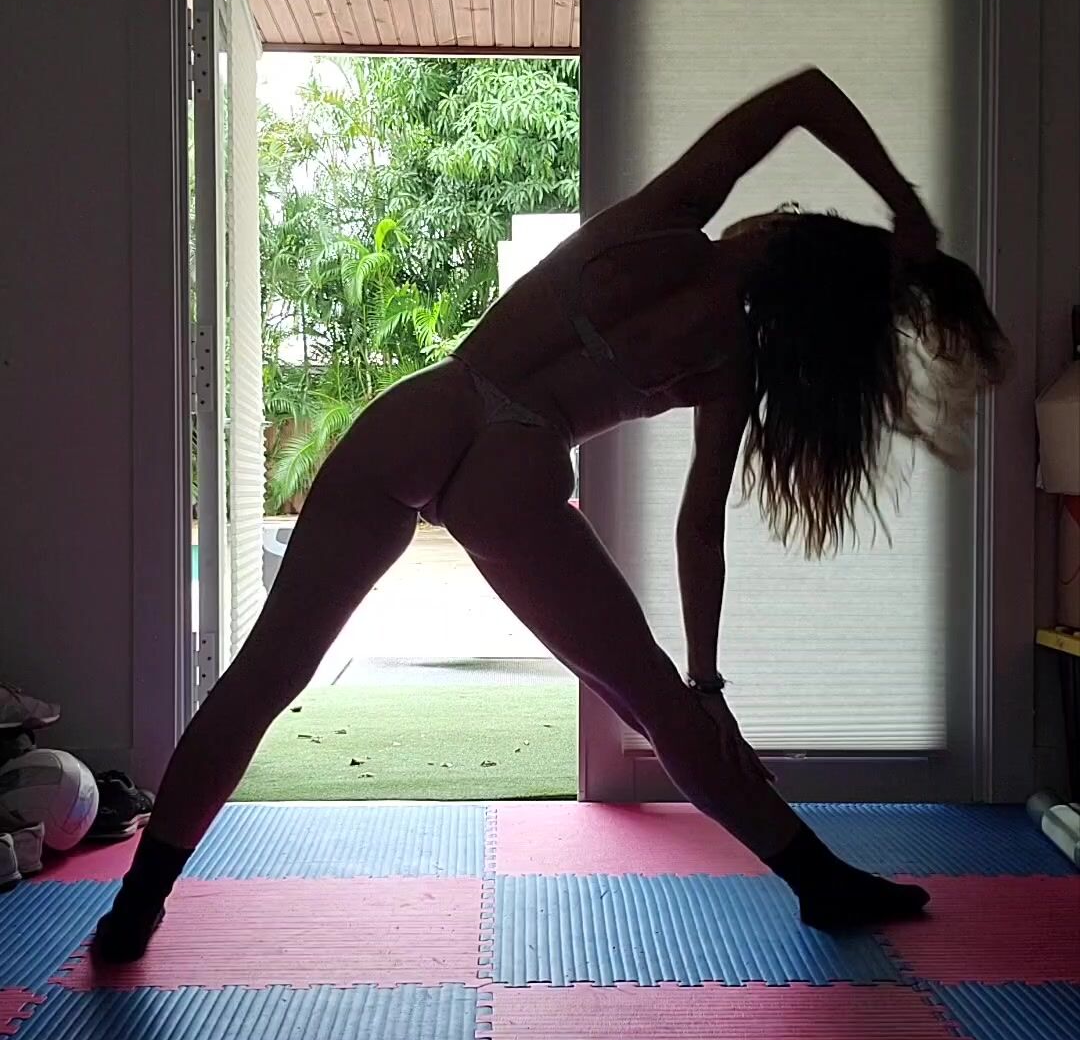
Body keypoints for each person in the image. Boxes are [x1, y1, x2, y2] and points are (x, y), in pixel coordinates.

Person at [93, 67, 1009, 962]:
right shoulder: (731, 361)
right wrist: (706, 682)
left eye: (786, 215)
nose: (774, 211)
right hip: (516, 475)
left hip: (432, 410)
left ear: (773, 237)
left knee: (264, 674)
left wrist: (904, 206)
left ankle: (138, 905)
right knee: (657, 700)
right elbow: (699, 529)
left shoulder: (663, 220)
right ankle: (817, 879)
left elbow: (803, 92)